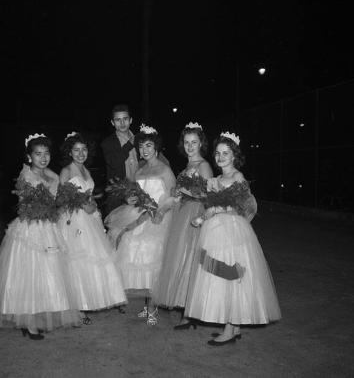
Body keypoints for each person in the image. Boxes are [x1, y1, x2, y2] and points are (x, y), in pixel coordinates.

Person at [184, 131, 281, 346]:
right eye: (217, 153)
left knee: (231, 275)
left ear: (234, 155)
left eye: (225, 153)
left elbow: (245, 206)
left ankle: (230, 327)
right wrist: (202, 217)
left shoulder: (238, 177)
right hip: (215, 231)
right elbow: (211, 206)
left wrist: (218, 210)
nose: (220, 157)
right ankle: (233, 326)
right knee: (219, 274)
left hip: (233, 231)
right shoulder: (215, 179)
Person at [0, 133, 82, 340]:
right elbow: (23, 206)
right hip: (31, 230)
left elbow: (59, 196)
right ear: (30, 156)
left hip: (49, 227)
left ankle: (41, 317)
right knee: (30, 274)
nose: (43, 158)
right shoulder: (26, 175)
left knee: (48, 274)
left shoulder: (52, 175)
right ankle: (29, 323)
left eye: (46, 153)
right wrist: (43, 207)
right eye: (38, 154)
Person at [105, 124, 176, 325]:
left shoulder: (165, 170)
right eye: (142, 146)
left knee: (152, 259)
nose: (144, 150)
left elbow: (173, 198)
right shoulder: (139, 170)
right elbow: (135, 193)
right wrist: (130, 199)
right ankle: (147, 306)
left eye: (149, 146)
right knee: (136, 254)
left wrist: (160, 211)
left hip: (157, 219)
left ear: (157, 147)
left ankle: (153, 308)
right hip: (138, 215)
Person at [58, 132, 127, 322]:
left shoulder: (86, 170)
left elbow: (87, 193)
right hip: (75, 220)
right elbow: (62, 198)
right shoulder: (67, 171)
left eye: (84, 149)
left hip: (90, 218)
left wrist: (92, 203)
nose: (81, 153)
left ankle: (91, 301)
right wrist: (82, 204)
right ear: (70, 152)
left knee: (95, 258)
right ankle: (78, 308)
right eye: (76, 150)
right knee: (78, 260)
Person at [152, 122, 213, 329]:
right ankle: (188, 310)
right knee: (182, 259)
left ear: (201, 143)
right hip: (182, 214)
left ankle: (191, 313)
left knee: (191, 261)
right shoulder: (188, 166)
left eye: (194, 142)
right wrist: (176, 194)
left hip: (195, 214)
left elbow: (209, 195)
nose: (190, 146)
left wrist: (186, 192)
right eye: (186, 142)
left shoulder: (203, 165)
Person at [101, 104, 169, 214]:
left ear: (131, 120)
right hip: (120, 198)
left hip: (143, 194)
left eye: (125, 119)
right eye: (118, 120)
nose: (122, 123)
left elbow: (154, 156)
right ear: (112, 123)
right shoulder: (107, 143)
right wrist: (129, 144)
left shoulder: (140, 139)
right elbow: (114, 163)